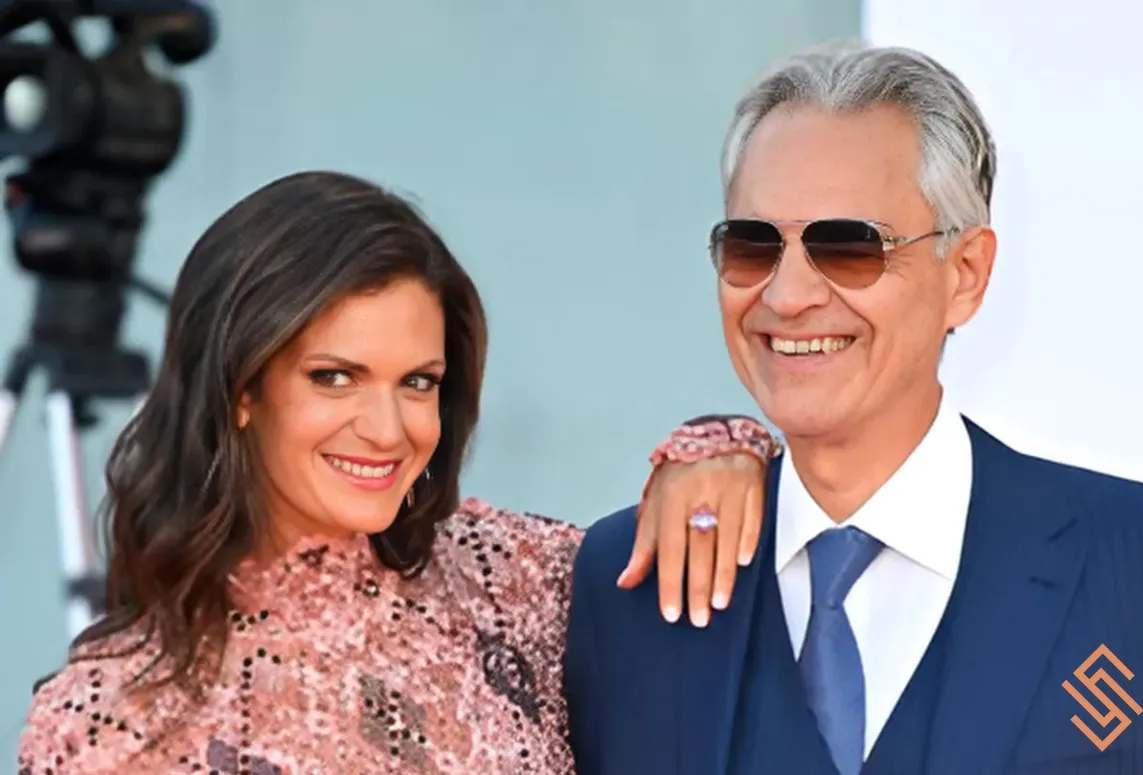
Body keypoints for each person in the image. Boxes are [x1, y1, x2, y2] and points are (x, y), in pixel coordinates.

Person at [16, 170, 779, 775]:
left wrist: (718, 453)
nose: (389, 430)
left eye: (418, 382)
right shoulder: (106, 720)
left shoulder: (505, 576)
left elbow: (725, 573)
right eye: (336, 376)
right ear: (242, 389)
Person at [565, 41, 1143, 775]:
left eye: (849, 246)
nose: (787, 295)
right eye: (753, 245)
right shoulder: (627, 583)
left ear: (966, 274)